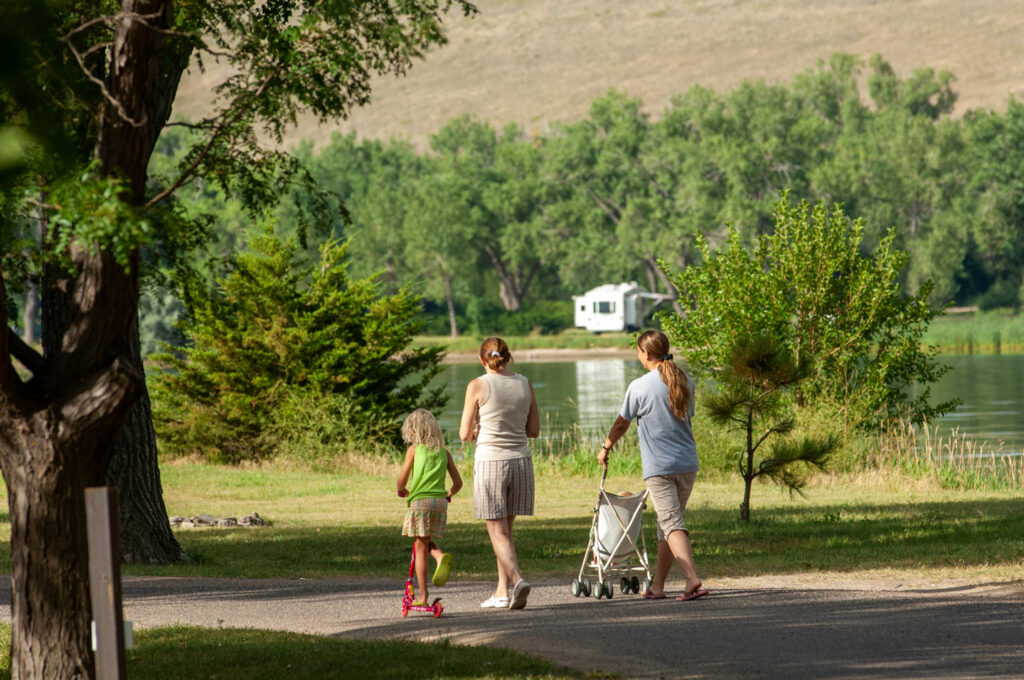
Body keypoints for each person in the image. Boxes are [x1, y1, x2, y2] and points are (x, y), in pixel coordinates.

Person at [597, 329, 709, 602]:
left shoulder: (640, 386)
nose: (638, 355)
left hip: (660, 467)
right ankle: (657, 586)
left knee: (671, 523)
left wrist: (605, 447)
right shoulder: (684, 380)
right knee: (668, 526)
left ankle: (692, 579)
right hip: (687, 464)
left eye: (638, 351)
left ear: (646, 353)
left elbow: (621, 423)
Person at [459, 337, 540, 610]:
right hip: (521, 461)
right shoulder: (525, 383)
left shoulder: (477, 385)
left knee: (497, 531)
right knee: (505, 531)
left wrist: (477, 431)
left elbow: (463, 434)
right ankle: (502, 591)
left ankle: (517, 580)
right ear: (508, 357)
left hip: (491, 462)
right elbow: (533, 430)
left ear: (483, 360)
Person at [397, 408, 463, 606]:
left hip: (420, 502)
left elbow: (401, 482)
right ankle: (438, 555)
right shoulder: (444, 452)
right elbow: (458, 483)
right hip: (439, 503)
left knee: (419, 547)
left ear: (413, 431)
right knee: (424, 542)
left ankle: (423, 597)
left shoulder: (414, 450)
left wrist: (403, 490)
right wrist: (447, 495)